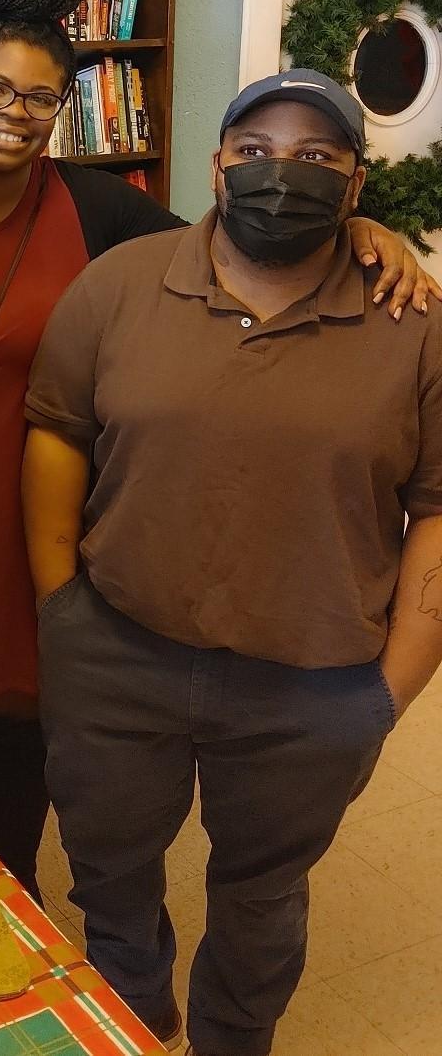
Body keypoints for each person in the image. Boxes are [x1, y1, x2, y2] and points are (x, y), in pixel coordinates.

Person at [0, 0, 438, 904]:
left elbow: (241, 242)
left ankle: (17, 897)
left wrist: (368, 236)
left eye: (41, 97)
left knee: (31, 727)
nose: (14, 111)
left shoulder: (94, 207)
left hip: (31, 513)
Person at [22, 68, 442, 1056]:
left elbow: (437, 505)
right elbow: (57, 433)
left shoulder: (415, 321)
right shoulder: (119, 285)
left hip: (315, 679)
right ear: (218, 167)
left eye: (315, 156)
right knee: (108, 867)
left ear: (355, 184)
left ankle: (232, 1037)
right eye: (255, 152)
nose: (279, 173)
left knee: (262, 894)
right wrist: (61, 608)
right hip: (119, 652)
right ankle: (136, 1014)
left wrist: (392, 685)